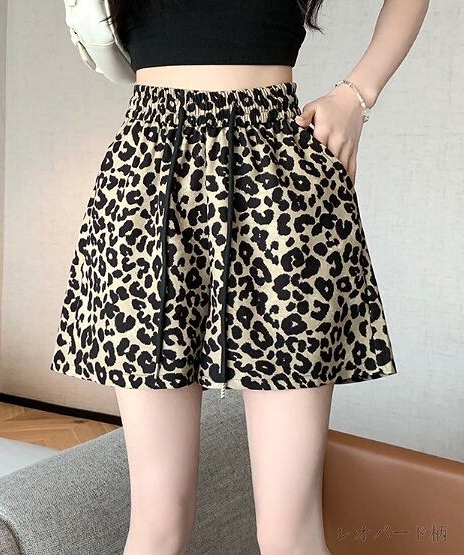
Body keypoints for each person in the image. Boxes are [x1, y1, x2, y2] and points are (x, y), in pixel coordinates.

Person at [50, 1, 429, 553]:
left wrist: (357, 94)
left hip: (279, 183)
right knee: (157, 523)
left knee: (289, 533)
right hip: (148, 183)